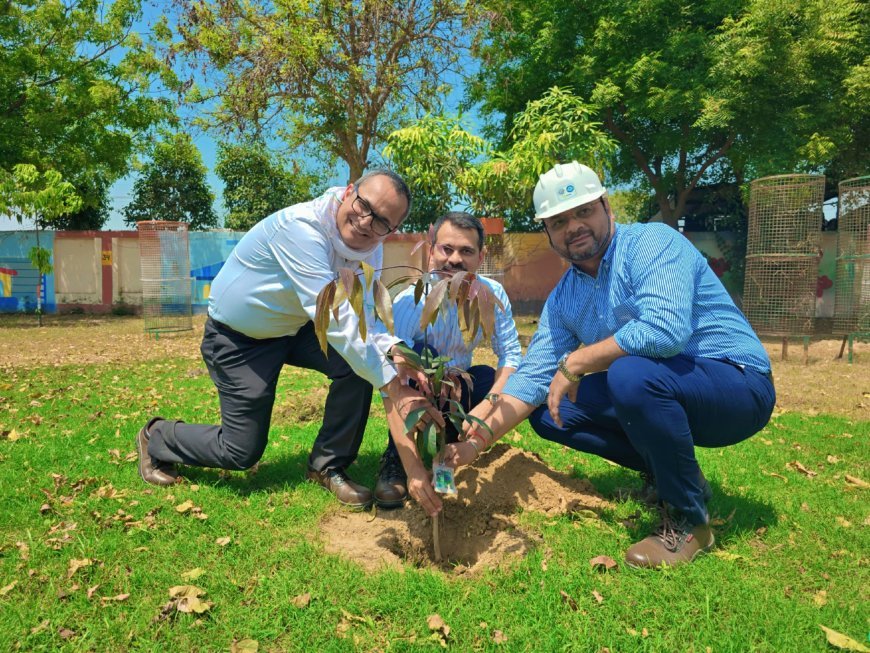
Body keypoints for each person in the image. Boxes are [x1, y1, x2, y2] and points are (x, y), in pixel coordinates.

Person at [444, 162, 775, 568]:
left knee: (630, 374)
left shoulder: (652, 243)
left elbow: (665, 332)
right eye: (560, 220)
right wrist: (474, 441)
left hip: (736, 384)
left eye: (584, 211)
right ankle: (674, 476)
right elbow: (531, 378)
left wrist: (580, 359)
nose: (574, 226)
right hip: (663, 387)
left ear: (606, 206)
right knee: (553, 411)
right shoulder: (565, 296)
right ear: (548, 232)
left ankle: (690, 522)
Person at [135, 170, 443, 513]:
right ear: (348, 191)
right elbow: (336, 322)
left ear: (392, 229)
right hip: (240, 339)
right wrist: (390, 381)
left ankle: (327, 464)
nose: (365, 223)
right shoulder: (300, 229)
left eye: (382, 222)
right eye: (363, 205)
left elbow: (364, 318)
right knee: (240, 452)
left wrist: (394, 353)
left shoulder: (372, 248)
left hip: (296, 328)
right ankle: (157, 436)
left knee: (357, 367)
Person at [373, 212, 522, 509]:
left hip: (459, 391)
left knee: (483, 375)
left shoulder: (492, 294)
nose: (455, 260)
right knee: (416, 356)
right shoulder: (409, 302)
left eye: (466, 251)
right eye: (447, 249)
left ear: (480, 257)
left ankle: (453, 452)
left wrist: (489, 403)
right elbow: (388, 384)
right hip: (419, 390)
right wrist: (415, 471)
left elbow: (511, 354)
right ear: (431, 251)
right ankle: (399, 458)